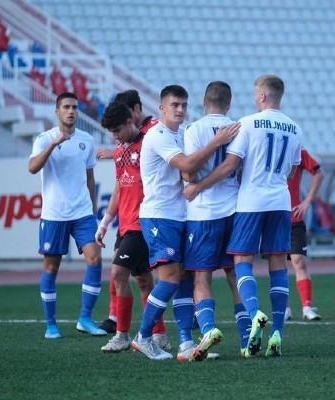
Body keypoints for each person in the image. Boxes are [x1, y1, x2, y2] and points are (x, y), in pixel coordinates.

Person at [184, 75, 302, 358]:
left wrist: (198, 186)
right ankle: (276, 333)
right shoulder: (295, 128)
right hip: (279, 201)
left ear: (262, 96)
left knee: (239, 263)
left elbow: (228, 167)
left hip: (247, 203)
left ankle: (254, 312)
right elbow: (293, 170)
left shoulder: (247, 123)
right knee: (278, 266)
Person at [130, 84, 239, 360]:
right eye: (174, 105)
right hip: (159, 215)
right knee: (169, 278)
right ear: (162, 108)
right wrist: (216, 141)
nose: (180, 110)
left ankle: (186, 344)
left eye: (184, 105)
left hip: (181, 215)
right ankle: (143, 336)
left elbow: (191, 170)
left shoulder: (182, 134)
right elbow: (188, 167)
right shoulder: (158, 135)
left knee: (185, 278)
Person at [182, 81, 252, 360]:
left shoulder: (194, 129)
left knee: (202, 276)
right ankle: (246, 338)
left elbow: (189, 174)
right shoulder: (240, 128)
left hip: (203, 213)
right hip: (235, 210)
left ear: (204, 101)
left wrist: (197, 185)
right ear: (229, 102)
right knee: (236, 275)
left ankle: (209, 329)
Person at [28, 92, 106, 339]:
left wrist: (93, 208)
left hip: (82, 213)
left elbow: (90, 176)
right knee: (52, 267)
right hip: (54, 214)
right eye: (66, 107)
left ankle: (85, 318)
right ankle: (51, 324)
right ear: (57, 111)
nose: (71, 111)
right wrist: (54, 144)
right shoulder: (44, 139)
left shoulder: (86, 140)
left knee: (95, 258)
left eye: (74, 107)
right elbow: (32, 168)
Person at [95, 103, 169, 352]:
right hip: (125, 225)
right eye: (112, 132)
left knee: (118, 274)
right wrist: (105, 223)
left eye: (118, 130)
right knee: (144, 281)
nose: (115, 136)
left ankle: (122, 335)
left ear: (130, 122)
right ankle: (159, 333)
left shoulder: (149, 145)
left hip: (142, 222)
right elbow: (119, 189)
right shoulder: (119, 152)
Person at [285, 147, 324, 322]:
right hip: (273, 218)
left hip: (294, 218)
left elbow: (319, 173)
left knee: (299, 261)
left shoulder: (297, 150)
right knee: (278, 265)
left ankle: (307, 307)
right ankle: (284, 309)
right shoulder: (264, 148)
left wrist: (307, 201)